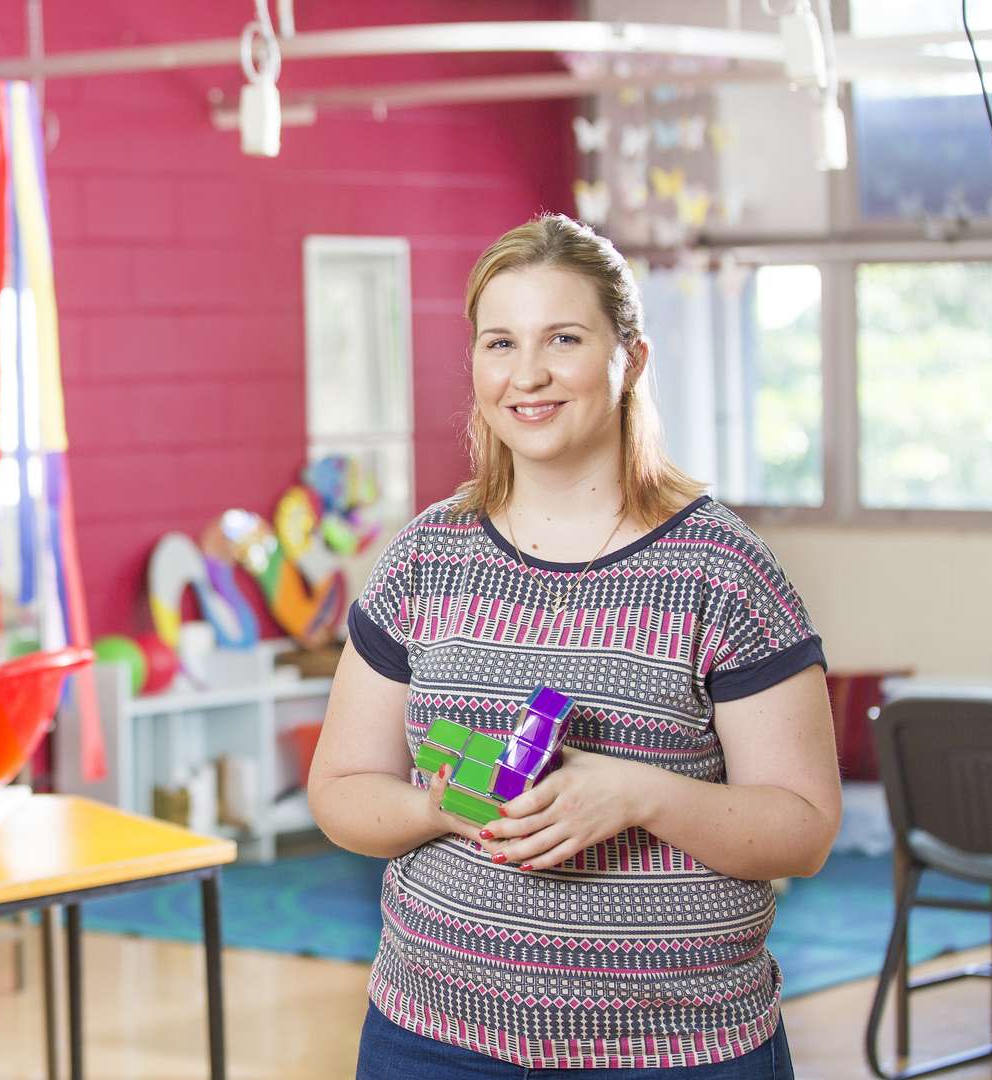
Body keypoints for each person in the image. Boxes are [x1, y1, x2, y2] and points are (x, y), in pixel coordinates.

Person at [308, 214, 839, 1078]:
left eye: (563, 338)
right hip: (433, 1040)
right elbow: (338, 789)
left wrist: (635, 797)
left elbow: (804, 830)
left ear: (629, 358)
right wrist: (439, 807)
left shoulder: (723, 572)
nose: (528, 375)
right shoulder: (424, 559)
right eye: (500, 342)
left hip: (680, 1050)